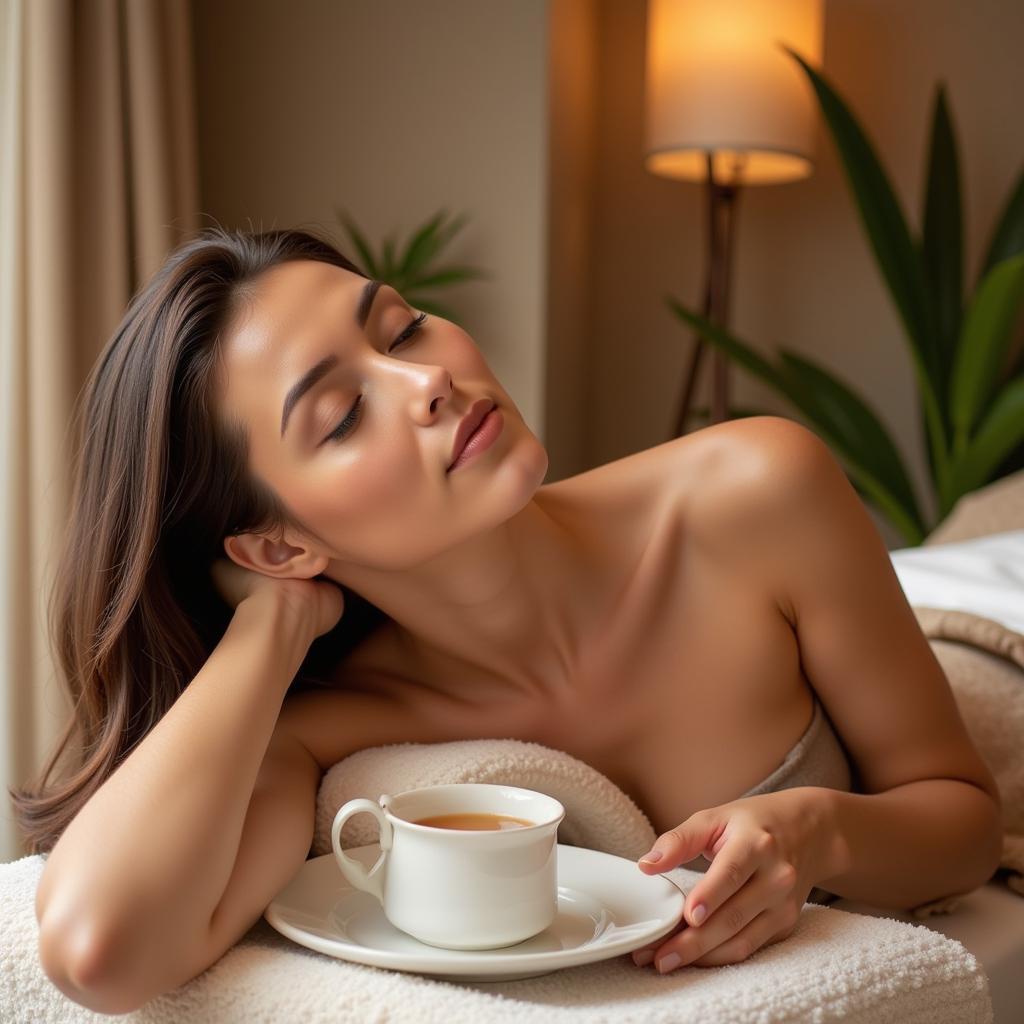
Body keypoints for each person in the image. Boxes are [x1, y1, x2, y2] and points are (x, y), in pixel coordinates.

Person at [13, 226, 1002, 1013]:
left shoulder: (753, 495)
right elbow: (100, 951)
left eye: (400, 329)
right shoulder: (330, 726)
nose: (428, 378)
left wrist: (817, 832)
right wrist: (267, 630)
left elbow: (962, 819)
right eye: (342, 415)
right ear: (277, 544)